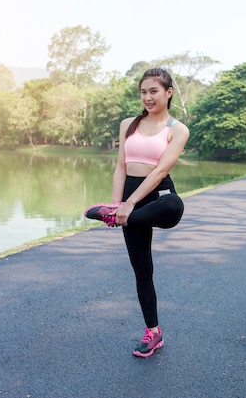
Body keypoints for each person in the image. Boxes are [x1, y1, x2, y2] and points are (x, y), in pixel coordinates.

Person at [84, 68, 190, 358]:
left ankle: (114, 214)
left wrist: (129, 206)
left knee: (174, 205)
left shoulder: (177, 129)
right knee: (143, 271)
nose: (148, 97)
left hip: (158, 198)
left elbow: (161, 170)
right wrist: (117, 204)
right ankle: (153, 333)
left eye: (154, 91)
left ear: (168, 93)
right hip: (128, 201)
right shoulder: (128, 124)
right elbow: (121, 166)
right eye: (143, 92)